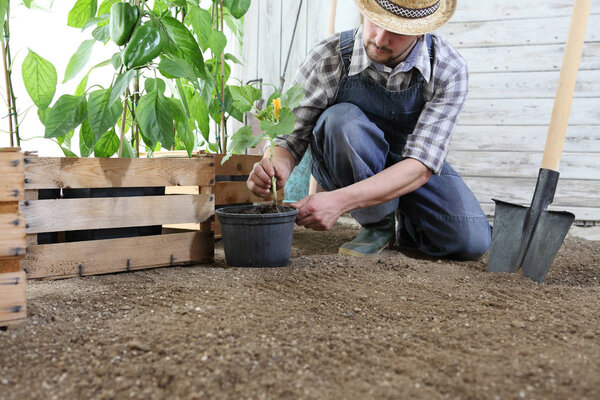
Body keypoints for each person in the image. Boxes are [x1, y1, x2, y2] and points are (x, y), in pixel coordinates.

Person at [247, 0, 492, 259]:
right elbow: (290, 137)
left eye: (396, 30)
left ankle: (408, 221)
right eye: (376, 21)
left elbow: (421, 165)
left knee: (471, 241)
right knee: (341, 120)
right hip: (350, 155)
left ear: (421, 31)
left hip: (409, 168)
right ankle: (378, 225)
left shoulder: (448, 69)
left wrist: (339, 202)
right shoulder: (329, 56)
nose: (380, 38)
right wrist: (275, 167)